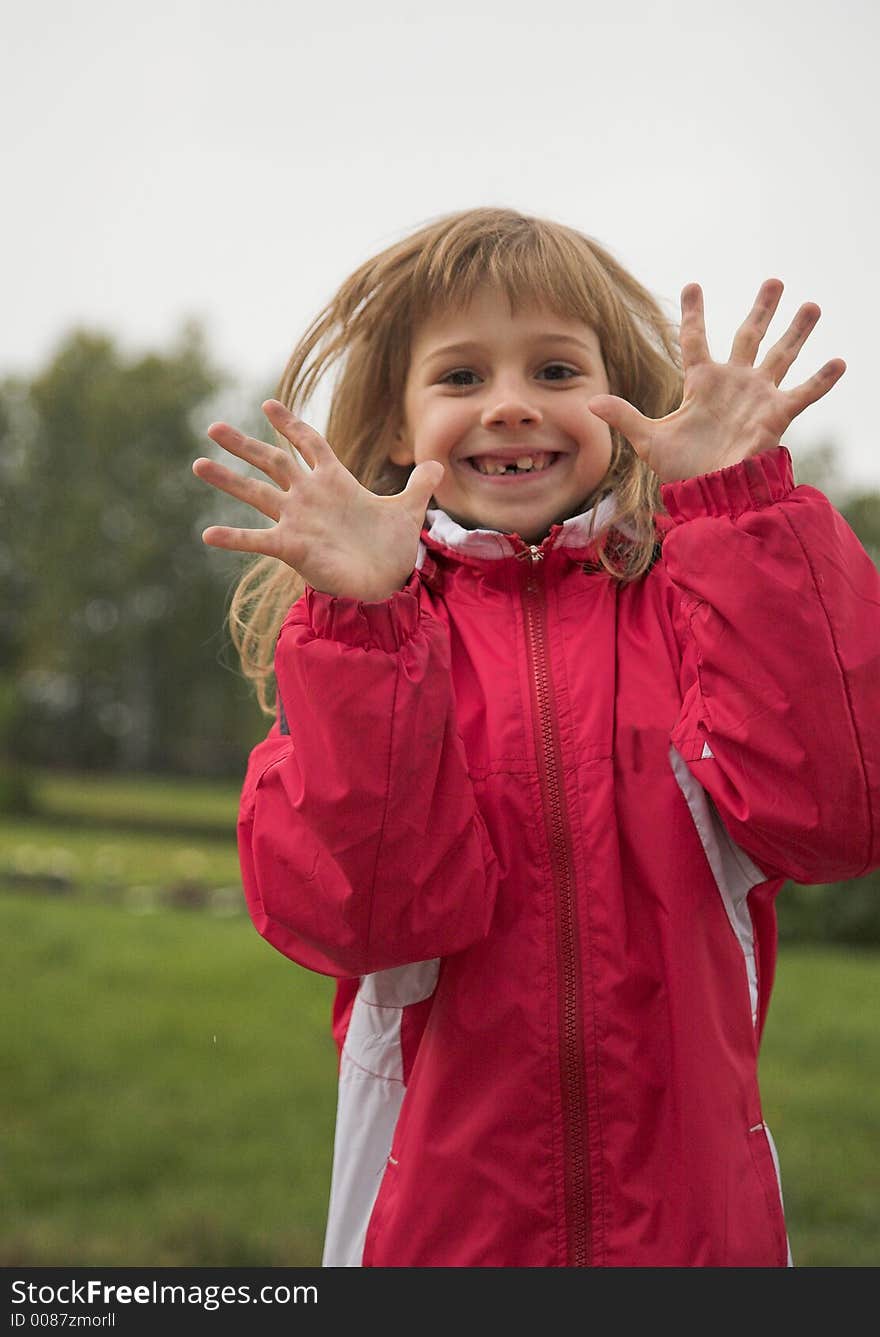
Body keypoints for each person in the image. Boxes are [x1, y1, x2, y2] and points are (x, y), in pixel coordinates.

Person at [192, 207, 880, 1267]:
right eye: (460, 379)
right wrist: (368, 633)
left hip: (700, 1234)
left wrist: (740, 510)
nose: (510, 405)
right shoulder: (367, 644)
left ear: (623, 405)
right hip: (434, 1235)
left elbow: (837, 819)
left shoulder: (698, 604)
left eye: (556, 370)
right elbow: (363, 917)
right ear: (392, 427)